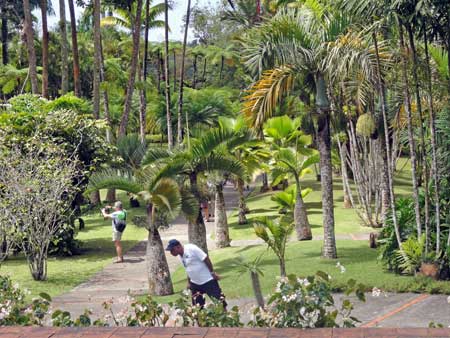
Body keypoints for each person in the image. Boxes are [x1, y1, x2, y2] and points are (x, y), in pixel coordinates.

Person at [166, 239, 227, 309]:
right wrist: (189, 282)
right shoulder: (180, 256)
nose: (171, 253)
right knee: (197, 308)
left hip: (208, 281)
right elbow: (188, 269)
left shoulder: (191, 248)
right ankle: (200, 320)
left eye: (172, 250)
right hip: (195, 284)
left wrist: (212, 273)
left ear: (178, 246)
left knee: (220, 303)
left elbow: (206, 258)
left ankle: (227, 318)